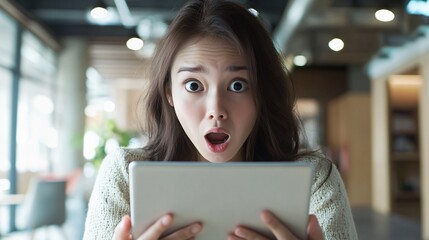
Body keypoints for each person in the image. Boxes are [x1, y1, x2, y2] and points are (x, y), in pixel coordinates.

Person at [83, 0, 358, 239]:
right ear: (170, 94)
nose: (216, 109)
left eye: (238, 85)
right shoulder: (124, 175)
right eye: (193, 85)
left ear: (262, 92)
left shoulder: (315, 181)